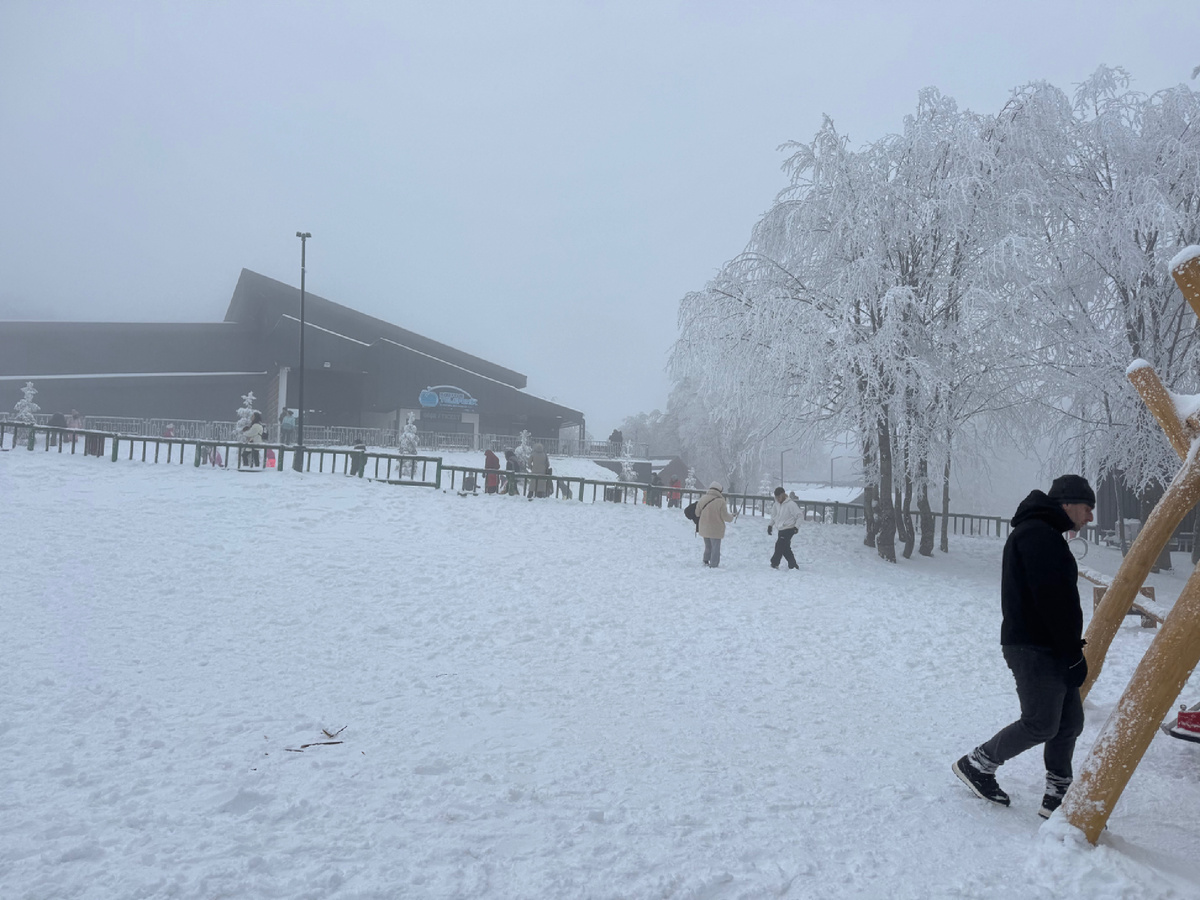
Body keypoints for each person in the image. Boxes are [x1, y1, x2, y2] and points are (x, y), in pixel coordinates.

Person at [952, 474, 1095, 819]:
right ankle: (977, 764)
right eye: (1088, 508)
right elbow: (1050, 602)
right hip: (1034, 647)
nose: (1090, 517)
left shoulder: (1044, 534)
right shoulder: (1037, 536)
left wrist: (1069, 649)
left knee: (1069, 722)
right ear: (1068, 503)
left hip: (1048, 645)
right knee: (1041, 723)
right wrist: (1072, 653)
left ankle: (1057, 795)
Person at [697, 482, 736, 568]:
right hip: (715, 528)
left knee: (707, 546)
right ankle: (714, 564)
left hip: (704, 527)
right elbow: (725, 517)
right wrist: (732, 516)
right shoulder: (721, 501)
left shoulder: (703, 499)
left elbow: (697, 513)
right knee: (715, 547)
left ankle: (705, 560)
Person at [767, 487, 802, 569]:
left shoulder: (791, 504)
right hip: (781, 529)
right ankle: (793, 565)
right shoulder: (776, 505)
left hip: (789, 528)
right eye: (776, 497)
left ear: (783, 495)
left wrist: (796, 527)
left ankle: (774, 563)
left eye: (779, 497)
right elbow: (774, 516)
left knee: (779, 545)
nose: (777, 499)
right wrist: (770, 525)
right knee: (785, 548)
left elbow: (800, 516)